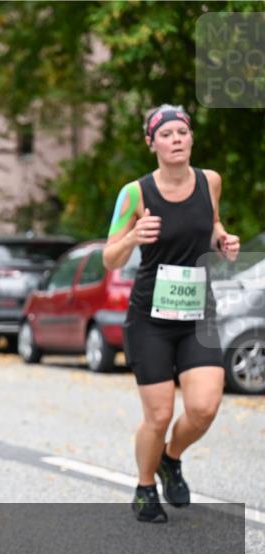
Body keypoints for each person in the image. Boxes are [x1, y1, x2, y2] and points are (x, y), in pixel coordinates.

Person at [103, 104, 240, 524]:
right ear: (152, 143)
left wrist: (223, 240)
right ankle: (145, 487)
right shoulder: (135, 193)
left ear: (191, 138)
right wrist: (133, 237)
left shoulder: (210, 181)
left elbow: (211, 223)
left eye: (182, 132)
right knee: (159, 414)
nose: (176, 139)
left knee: (204, 408)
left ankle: (170, 458)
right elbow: (109, 257)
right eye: (166, 134)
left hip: (198, 314)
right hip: (151, 319)